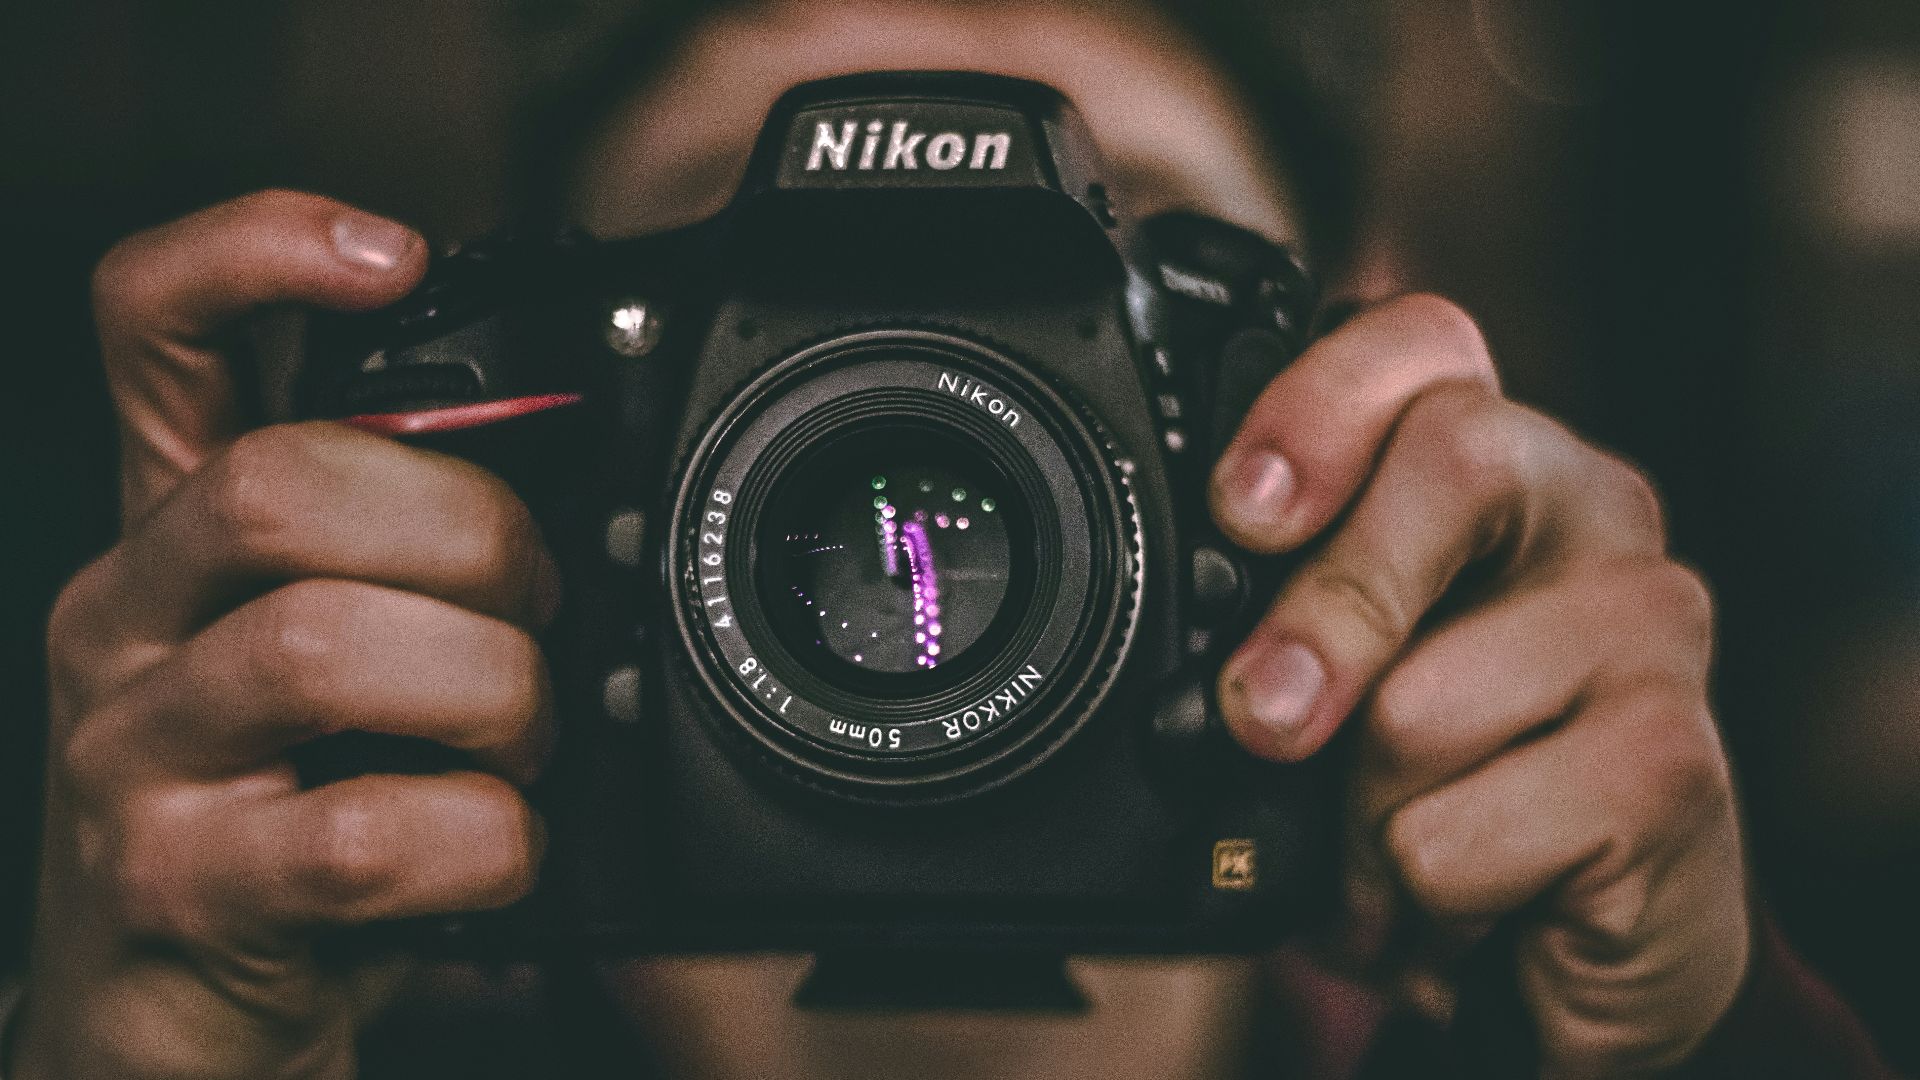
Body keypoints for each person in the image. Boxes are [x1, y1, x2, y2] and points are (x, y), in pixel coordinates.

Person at [5, 1, 1901, 1077]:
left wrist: (1700, 1048)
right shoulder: (331, 1025)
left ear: (1361, 372)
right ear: (562, 424)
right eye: (782, 309)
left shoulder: (1524, 1025)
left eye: (1113, 285)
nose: (919, 408)